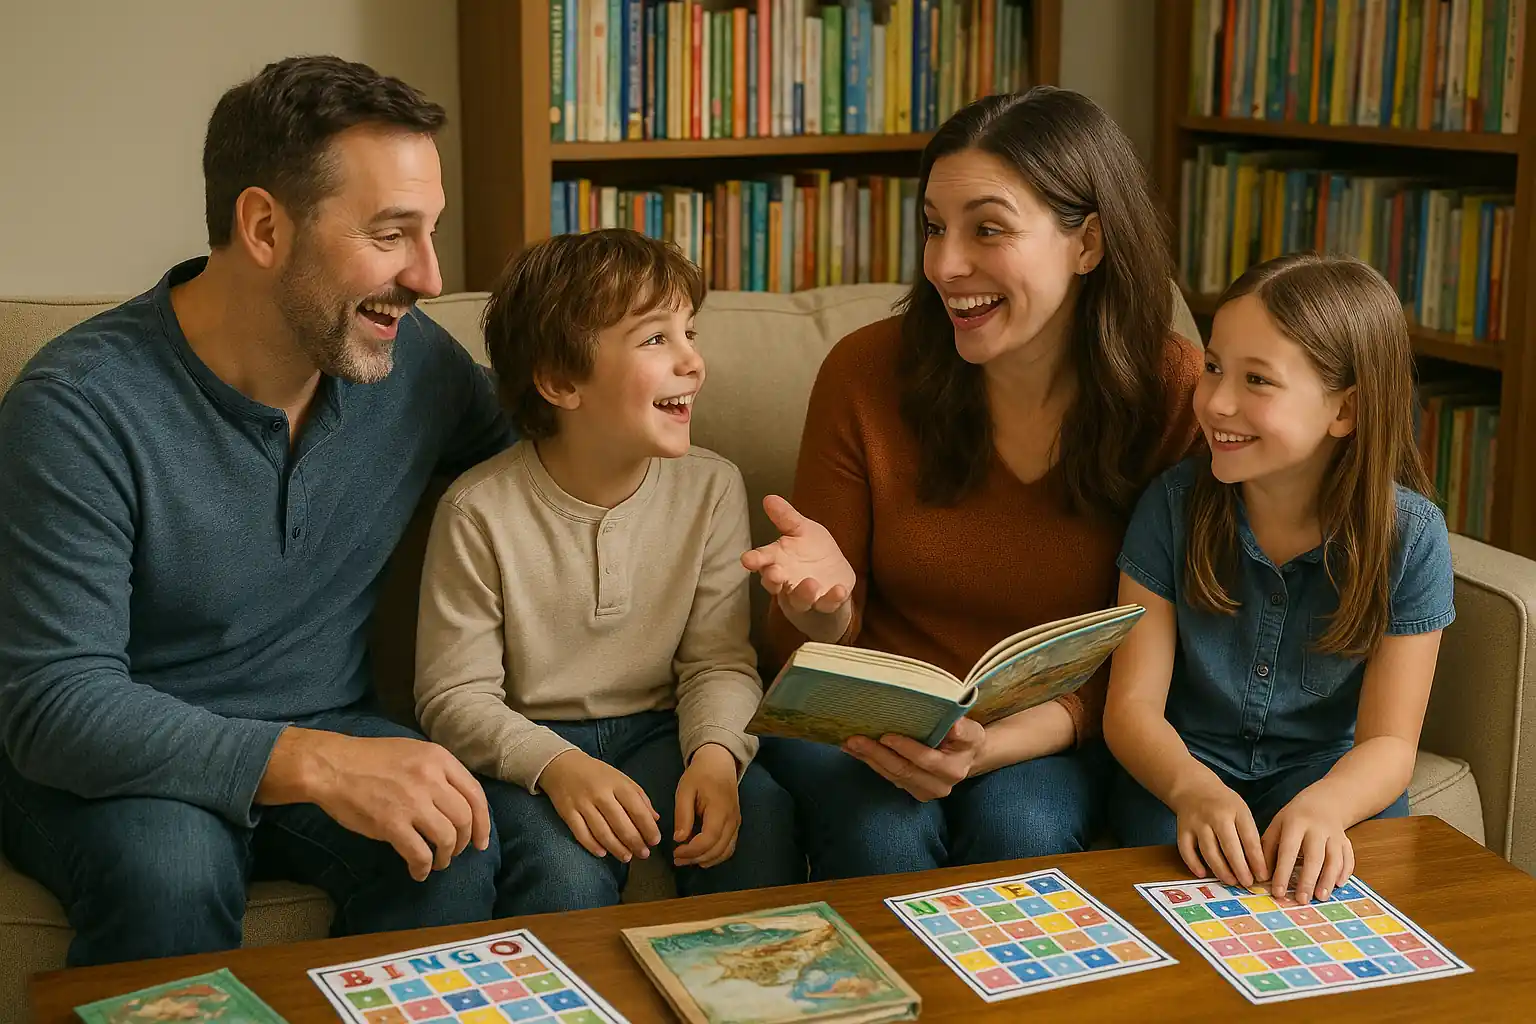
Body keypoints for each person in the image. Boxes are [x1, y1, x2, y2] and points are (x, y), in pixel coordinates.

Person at [0, 56, 513, 966]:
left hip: (331, 718)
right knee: (169, 869)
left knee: (453, 847)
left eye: (429, 233)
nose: (431, 277)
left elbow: (566, 444)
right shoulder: (79, 405)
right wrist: (315, 762)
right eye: (392, 235)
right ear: (266, 226)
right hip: (121, 756)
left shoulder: (410, 364)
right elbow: (53, 702)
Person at [739, 86, 1204, 879]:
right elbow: (800, 654)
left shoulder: (1171, 392)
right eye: (933, 228)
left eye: (987, 229)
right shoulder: (865, 372)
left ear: (1087, 243)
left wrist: (999, 744)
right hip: (863, 723)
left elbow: (1170, 647)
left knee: (1022, 825)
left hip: (1051, 726)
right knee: (883, 832)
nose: (946, 265)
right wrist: (819, 607)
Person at [413, 229, 803, 914]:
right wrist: (559, 768)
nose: (692, 361)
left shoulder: (711, 488)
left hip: (662, 729)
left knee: (759, 814)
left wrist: (715, 756)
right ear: (562, 382)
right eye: (656, 340)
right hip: (533, 747)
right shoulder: (477, 511)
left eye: (691, 332)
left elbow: (718, 661)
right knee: (565, 878)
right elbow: (455, 698)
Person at [1103, 252, 1454, 904]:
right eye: (1213, 368)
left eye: (1257, 380)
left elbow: (1388, 743)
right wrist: (1190, 788)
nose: (1217, 401)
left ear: (1344, 411)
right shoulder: (1171, 507)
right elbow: (1130, 709)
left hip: (1329, 775)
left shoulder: (1412, 537)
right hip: (1186, 766)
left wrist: (1326, 807)